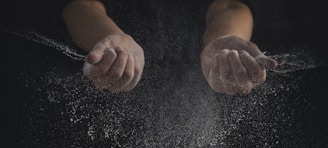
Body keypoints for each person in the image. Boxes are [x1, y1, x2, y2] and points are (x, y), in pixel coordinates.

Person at [62, 0, 278, 95]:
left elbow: (229, 5)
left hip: (203, 100)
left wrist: (226, 38)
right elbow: (82, 4)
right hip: (106, 105)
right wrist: (110, 38)